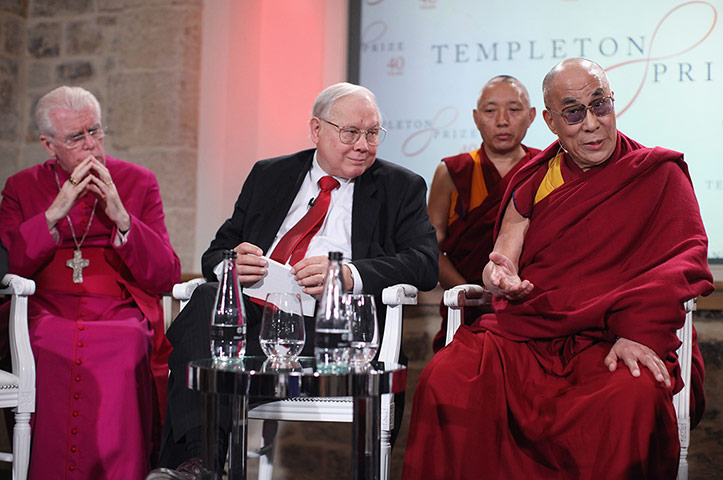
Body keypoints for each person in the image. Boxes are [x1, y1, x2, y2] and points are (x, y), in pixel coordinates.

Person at [402, 58, 714, 479]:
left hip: (611, 336)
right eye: (573, 112)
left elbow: (683, 262)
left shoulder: (657, 173)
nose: (591, 124)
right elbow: (503, 258)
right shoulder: (535, 178)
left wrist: (638, 330)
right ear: (550, 122)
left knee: (631, 397)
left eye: (600, 105)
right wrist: (501, 277)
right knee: (445, 376)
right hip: (535, 331)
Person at [154, 82, 438, 476]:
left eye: (373, 133)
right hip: (255, 327)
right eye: (351, 132)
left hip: (334, 336)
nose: (363, 144)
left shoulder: (400, 186)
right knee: (207, 295)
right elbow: (216, 253)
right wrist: (232, 264)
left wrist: (347, 274)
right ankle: (203, 461)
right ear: (316, 129)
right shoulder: (270, 175)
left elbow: (424, 264)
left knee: (198, 347)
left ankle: (198, 465)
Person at [0, 86, 181, 479]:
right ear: (49, 145)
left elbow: (166, 273)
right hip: (45, 306)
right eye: (76, 138)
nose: (91, 146)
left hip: (117, 307)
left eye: (95, 132)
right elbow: (11, 264)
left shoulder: (138, 181)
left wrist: (122, 217)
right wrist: (54, 212)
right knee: (45, 344)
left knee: (127, 340)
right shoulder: (20, 187)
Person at [427, 75, 539, 352]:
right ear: (477, 118)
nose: (502, 120)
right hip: (467, 307)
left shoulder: (545, 168)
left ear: (532, 116)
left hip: (529, 304)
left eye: (514, 110)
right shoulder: (453, 172)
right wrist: (470, 293)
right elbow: (430, 247)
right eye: (490, 111)